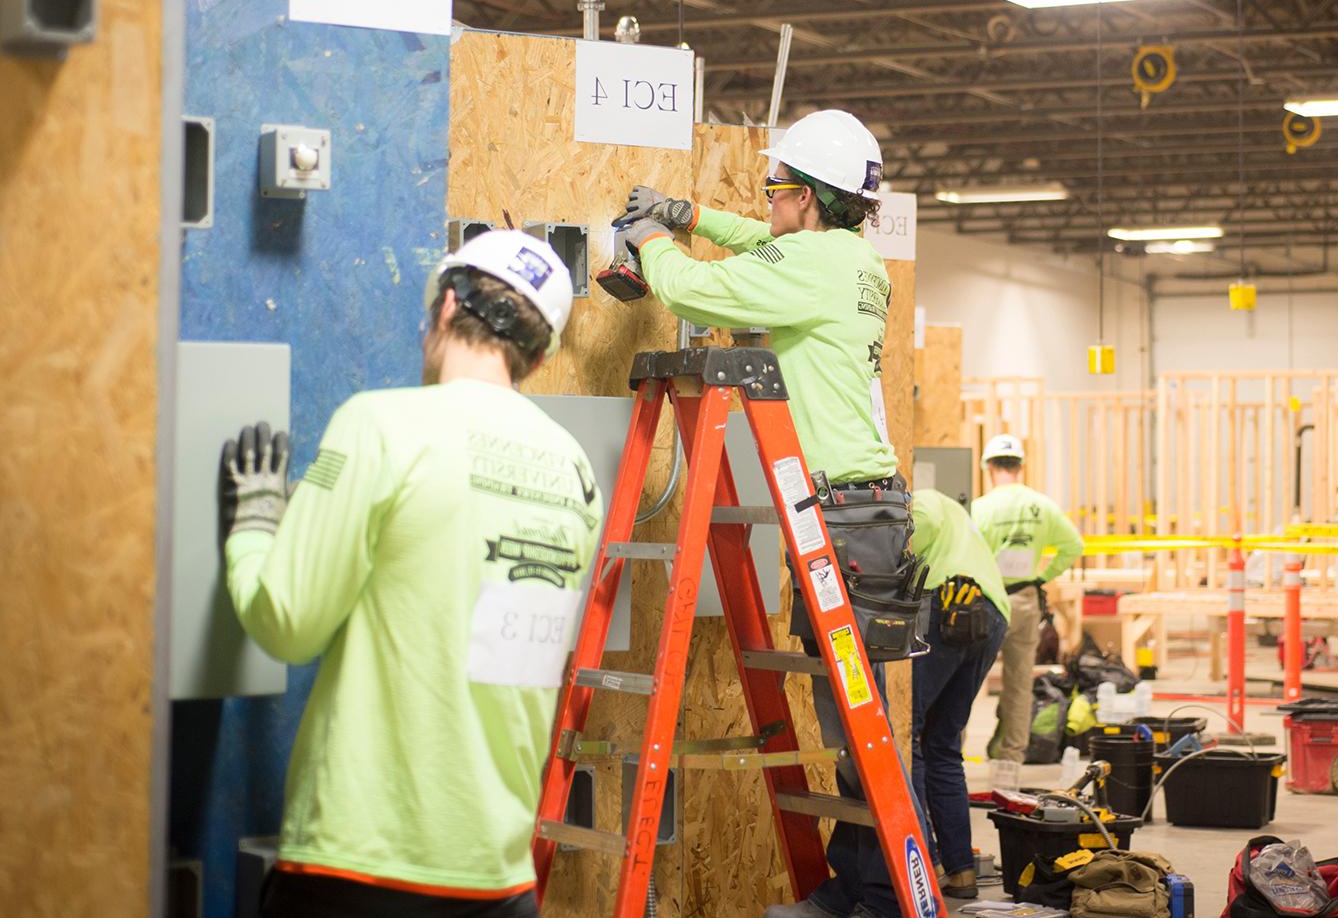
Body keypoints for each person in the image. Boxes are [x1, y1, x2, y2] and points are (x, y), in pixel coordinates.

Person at [218, 230, 599, 918]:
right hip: (499, 875)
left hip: (362, 864)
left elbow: (287, 625)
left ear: (447, 307)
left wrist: (252, 527)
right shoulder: (575, 470)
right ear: (537, 356)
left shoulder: (380, 425)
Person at [618, 108, 920, 918]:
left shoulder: (813, 266)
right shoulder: (855, 260)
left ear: (810, 199)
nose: (770, 200)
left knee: (861, 731)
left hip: (844, 521)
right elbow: (764, 243)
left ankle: (890, 903)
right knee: (854, 725)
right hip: (861, 515)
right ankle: (853, 894)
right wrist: (688, 216)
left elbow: (687, 286)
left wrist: (650, 240)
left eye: (776, 188)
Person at [908, 487, 1009, 900]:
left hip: (947, 603)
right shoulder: (959, 515)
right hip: (990, 615)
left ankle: (923, 865)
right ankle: (960, 872)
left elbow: (921, 525)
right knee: (942, 742)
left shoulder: (921, 500)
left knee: (908, 734)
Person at [971, 433, 1084, 788]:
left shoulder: (981, 508)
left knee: (968, 681)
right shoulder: (1042, 506)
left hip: (988, 601)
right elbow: (1073, 546)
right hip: (1025, 600)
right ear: (1020, 466)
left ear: (989, 467)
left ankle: (948, 756)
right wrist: (1041, 578)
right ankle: (1009, 765)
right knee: (1019, 684)